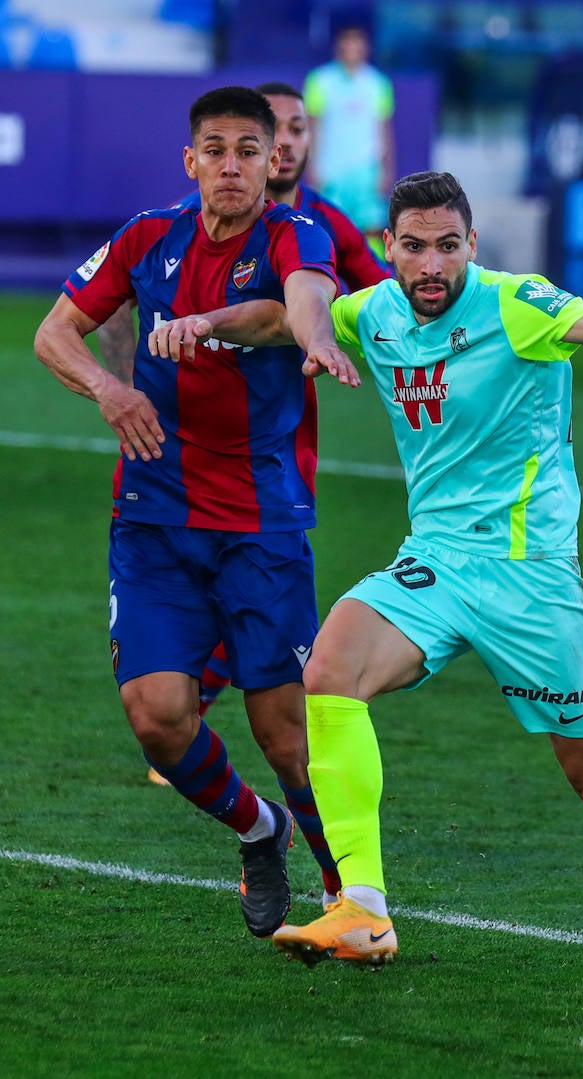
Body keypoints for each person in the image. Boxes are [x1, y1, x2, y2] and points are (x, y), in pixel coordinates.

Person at [145, 170, 583, 969]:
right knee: (331, 667)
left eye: (447, 246)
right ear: (389, 251)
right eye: (414, 247)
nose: (431, 263)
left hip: (532, 576)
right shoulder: (375, 313)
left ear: (473, 245)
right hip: (435, 564)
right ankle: (363, 909)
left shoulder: (519, 305)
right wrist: (209, 321)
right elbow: (277, 317)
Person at [33, 86, 361, 940]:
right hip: (153, 514)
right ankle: (260, 831)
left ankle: (350, 901)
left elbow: (286, 306)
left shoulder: (297, 234)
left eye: (248, 150)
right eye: (215, 150)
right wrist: (110, 389)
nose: (232, 165)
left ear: (271, 162)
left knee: (284, 732)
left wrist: (266, 326)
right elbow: (54, 332)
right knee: (158, 716)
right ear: (191, 161)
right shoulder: (148, 235)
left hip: (262, 520)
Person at [95, 81, 392, 782]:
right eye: (264, 132)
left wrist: (328, 328)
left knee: (269, 646)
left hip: (279, 454)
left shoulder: (317, 225)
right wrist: (124, 384)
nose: (279, 144)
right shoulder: (159, 232)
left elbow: (350, 297)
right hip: (169, 478)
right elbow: (99, 310)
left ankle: (333, 863)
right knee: (188, 647)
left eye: (289, 131)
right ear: (196, 157)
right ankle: (195, 705)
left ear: (297, 146)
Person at [304, 23, 395, 247]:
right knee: (328, 231)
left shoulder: (379, 84)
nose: (352, 50)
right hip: (330, 171)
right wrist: (311, 166)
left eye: (357, 45)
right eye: (347, 45)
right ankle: (331, 280)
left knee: (372, 230)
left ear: (365, 49)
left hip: (367, 172)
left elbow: (384, 130)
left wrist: (386, 170)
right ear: (338, 48)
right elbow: (311, 127)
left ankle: (375, 278)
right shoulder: (318, 81)